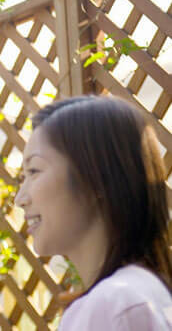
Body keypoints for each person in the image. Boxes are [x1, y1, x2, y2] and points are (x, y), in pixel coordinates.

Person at [15, 96, 172, 330]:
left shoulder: (114, 304)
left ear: (94, 180)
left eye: (34, 170)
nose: (20, 199)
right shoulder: (136, 295)